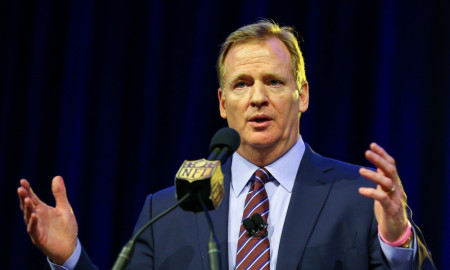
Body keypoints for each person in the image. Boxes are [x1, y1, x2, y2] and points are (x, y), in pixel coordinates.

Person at [18, 20, 435, 269]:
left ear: (302, 95)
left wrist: (397, 241)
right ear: (223, 103)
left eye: (273, 81)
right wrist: (71, 259)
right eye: (242, 84)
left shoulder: (358, 196)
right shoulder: (166, 212)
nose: (257, 97)